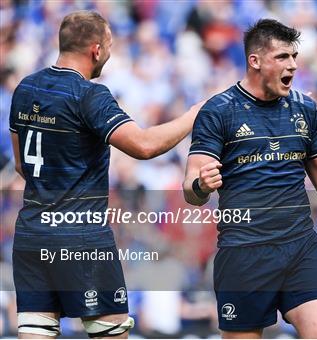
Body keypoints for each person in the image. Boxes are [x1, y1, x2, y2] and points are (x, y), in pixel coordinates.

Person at [183, 19, 317, 339]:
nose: (292, 65)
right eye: (282, 57)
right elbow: (191, 187)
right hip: (244, 253)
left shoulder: (304, 108)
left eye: (293, 57)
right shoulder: (219, 110)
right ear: (255, 61)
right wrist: (201, 185)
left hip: (299, 248)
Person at [9, 10, 202, 339]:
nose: (110, 54)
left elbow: (19, 165)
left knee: (36, 332)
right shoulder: (89, 95)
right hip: (81, 236)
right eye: (110, 46)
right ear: (96, 50)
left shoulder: (26, 88)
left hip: (31, 234)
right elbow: (142, 146)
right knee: (111, 334)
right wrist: (195, 114)